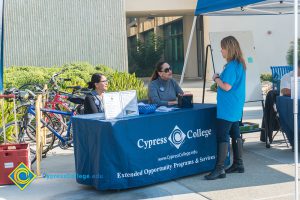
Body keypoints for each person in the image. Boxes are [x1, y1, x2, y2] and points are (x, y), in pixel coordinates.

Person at [205, 36, 246, 180]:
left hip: (228, 108)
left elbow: (226, 86)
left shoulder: (231, 66)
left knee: (222, 136)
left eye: (222, 48)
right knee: (235, 134)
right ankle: (238, 164)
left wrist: (216, 78)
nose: (221, 51)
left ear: (229, 49)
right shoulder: (239, 64)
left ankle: (219, 169)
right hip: (235, 105)